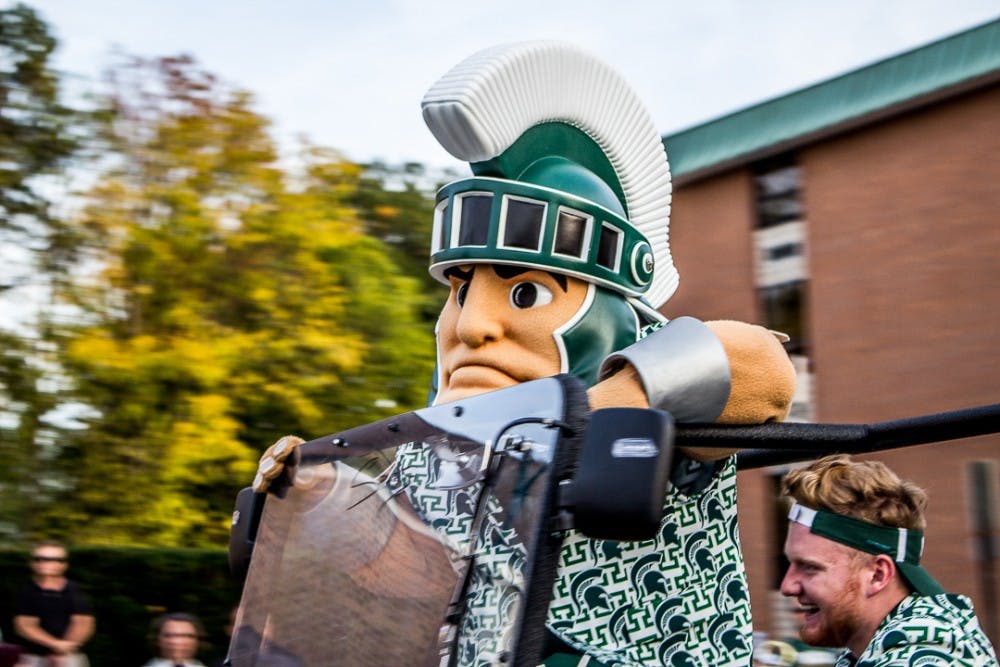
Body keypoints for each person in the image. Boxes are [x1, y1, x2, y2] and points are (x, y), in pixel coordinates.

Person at [254, 41, 797, 666]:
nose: (473, 327)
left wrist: (584, 417)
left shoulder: (658, 375)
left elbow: (758, 366)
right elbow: (402, 574)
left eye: (525, 291)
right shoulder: (443, 447)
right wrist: (319, 494)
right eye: (460, 291)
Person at [780, 454, 998, 666]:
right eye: (790, 564)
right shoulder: (874, 647)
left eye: (810, 567)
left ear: (878, 575)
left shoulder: (926, 656)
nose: (787, 586)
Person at [13, 541, 94, 667]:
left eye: (56, 559)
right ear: (32, 563)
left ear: (64, 564)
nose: (47, 563)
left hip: (70, 656)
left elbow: (83, 623)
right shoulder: (27, 592)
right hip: (34, 657)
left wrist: (61, 653)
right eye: (40, 559)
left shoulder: (75, 590)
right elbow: (25, 626)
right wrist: (55, 645)